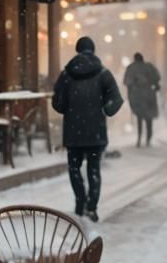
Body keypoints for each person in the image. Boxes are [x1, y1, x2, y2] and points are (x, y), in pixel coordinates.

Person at [52, 37, 123, 223]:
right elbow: (117, 99)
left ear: (77, 50)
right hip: (95, 132)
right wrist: (105, 110)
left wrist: (69, 107)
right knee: (93, 169)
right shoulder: (103, 74)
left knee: (74, 168)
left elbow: (57, 103)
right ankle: (91, 207)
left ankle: (79, 201)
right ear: (93, 49)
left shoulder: (66, 74)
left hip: (73, 132)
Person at [123, 52, 160, 146]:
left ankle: (139, 138)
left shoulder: (131, 68)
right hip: (149, 95)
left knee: (139, 117)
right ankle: (148, 138)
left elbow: (127, 82)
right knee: (149, 118)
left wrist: (130, 95)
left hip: (137, 97)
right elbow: (157, 78)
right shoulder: (149, 67)